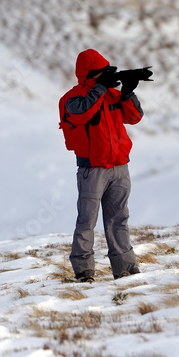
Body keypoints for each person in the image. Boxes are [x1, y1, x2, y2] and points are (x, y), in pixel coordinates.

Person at [58, 48, 144, 281]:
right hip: (92, 168)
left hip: (119, 167)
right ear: (88, 75)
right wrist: (99, 88)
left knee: (119, 218)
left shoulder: (111, 95)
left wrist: (127, 92)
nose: (105, 76)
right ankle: (84, 270)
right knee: (87, 220)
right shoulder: (71, 98)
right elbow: (80, 113)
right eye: (100, 73)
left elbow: (135, 117)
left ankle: (125, 267)